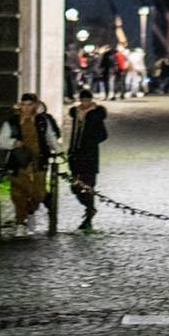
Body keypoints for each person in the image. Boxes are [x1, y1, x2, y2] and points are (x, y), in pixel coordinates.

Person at [0, 92, 61, 230]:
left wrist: (59, 151)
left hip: (39, 160)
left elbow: (50, 137)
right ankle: (20, 222)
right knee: (18, 192)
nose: (26, 108)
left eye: (29, 105)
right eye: (24, 105)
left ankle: (30, 211)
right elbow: (1, 141)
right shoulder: (12, 122)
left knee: (39, 192)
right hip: (19, 160)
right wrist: (13, 143)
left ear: (35, 105)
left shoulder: (42, 121)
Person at [63, 85, 108, 232]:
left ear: (90, 101)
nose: (84, 104)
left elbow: (103, 135)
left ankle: (89, 216)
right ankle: (90, 209)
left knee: (88, 186)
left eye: (87, 101)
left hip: (89, 156)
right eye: (83, 101)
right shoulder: (76, 113)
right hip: (75, 155)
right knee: (75, 186)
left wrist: (89, 142)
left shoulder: (96, 115)